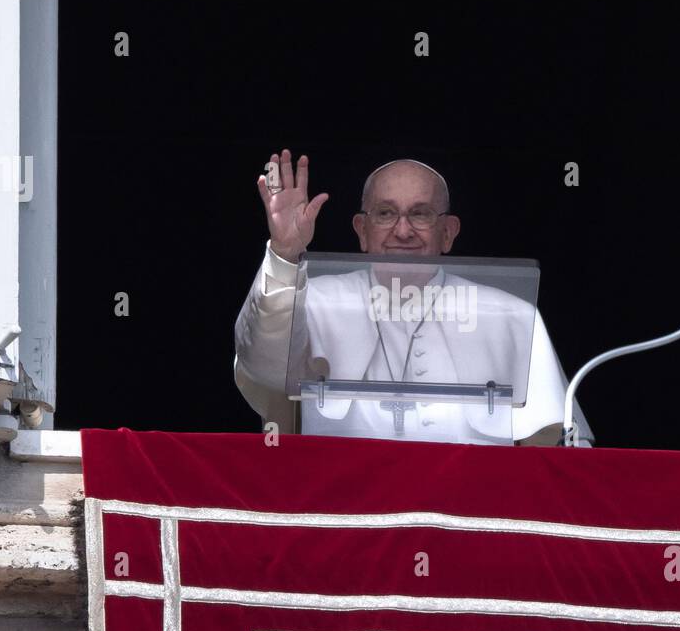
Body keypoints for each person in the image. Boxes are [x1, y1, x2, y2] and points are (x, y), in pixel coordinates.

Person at [233, 148, 592, 445]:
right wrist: (284, 253)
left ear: (448, 233)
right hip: (346, 507)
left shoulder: (508, 314)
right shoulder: (312, 300)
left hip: (467, 513)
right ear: (361, 230)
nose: (402, 231)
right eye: (386, 213)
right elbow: (263, 365)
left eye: (420, 214)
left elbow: (559, 445)